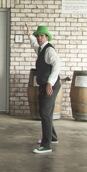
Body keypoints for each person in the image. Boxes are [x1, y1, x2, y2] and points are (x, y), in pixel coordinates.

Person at [25, 24, 61, 154]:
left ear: (47, 37)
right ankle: (52, 137)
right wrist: (29, 35)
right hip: (44, 85)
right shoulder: (41, 49)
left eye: (41, 36)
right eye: (38, 36)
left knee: (45, 113)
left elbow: (57, 65)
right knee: (45, 112)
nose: (39, 38)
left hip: (50, 85)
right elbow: (34, 44)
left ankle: (46, 145)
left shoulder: (49, 50)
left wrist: (50, 83)